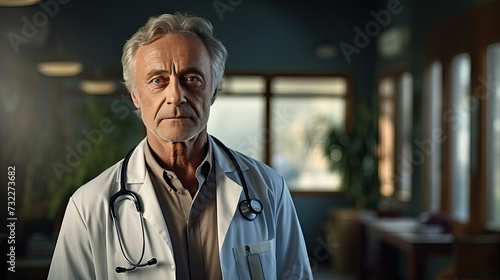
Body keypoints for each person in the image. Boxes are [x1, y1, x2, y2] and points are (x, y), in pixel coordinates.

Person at [48, 13, 312, 279]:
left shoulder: (268, 188)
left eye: (192, 78)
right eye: (157, 80)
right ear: (135, 96)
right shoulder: (88, 206)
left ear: (214, 92)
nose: (175, 96)